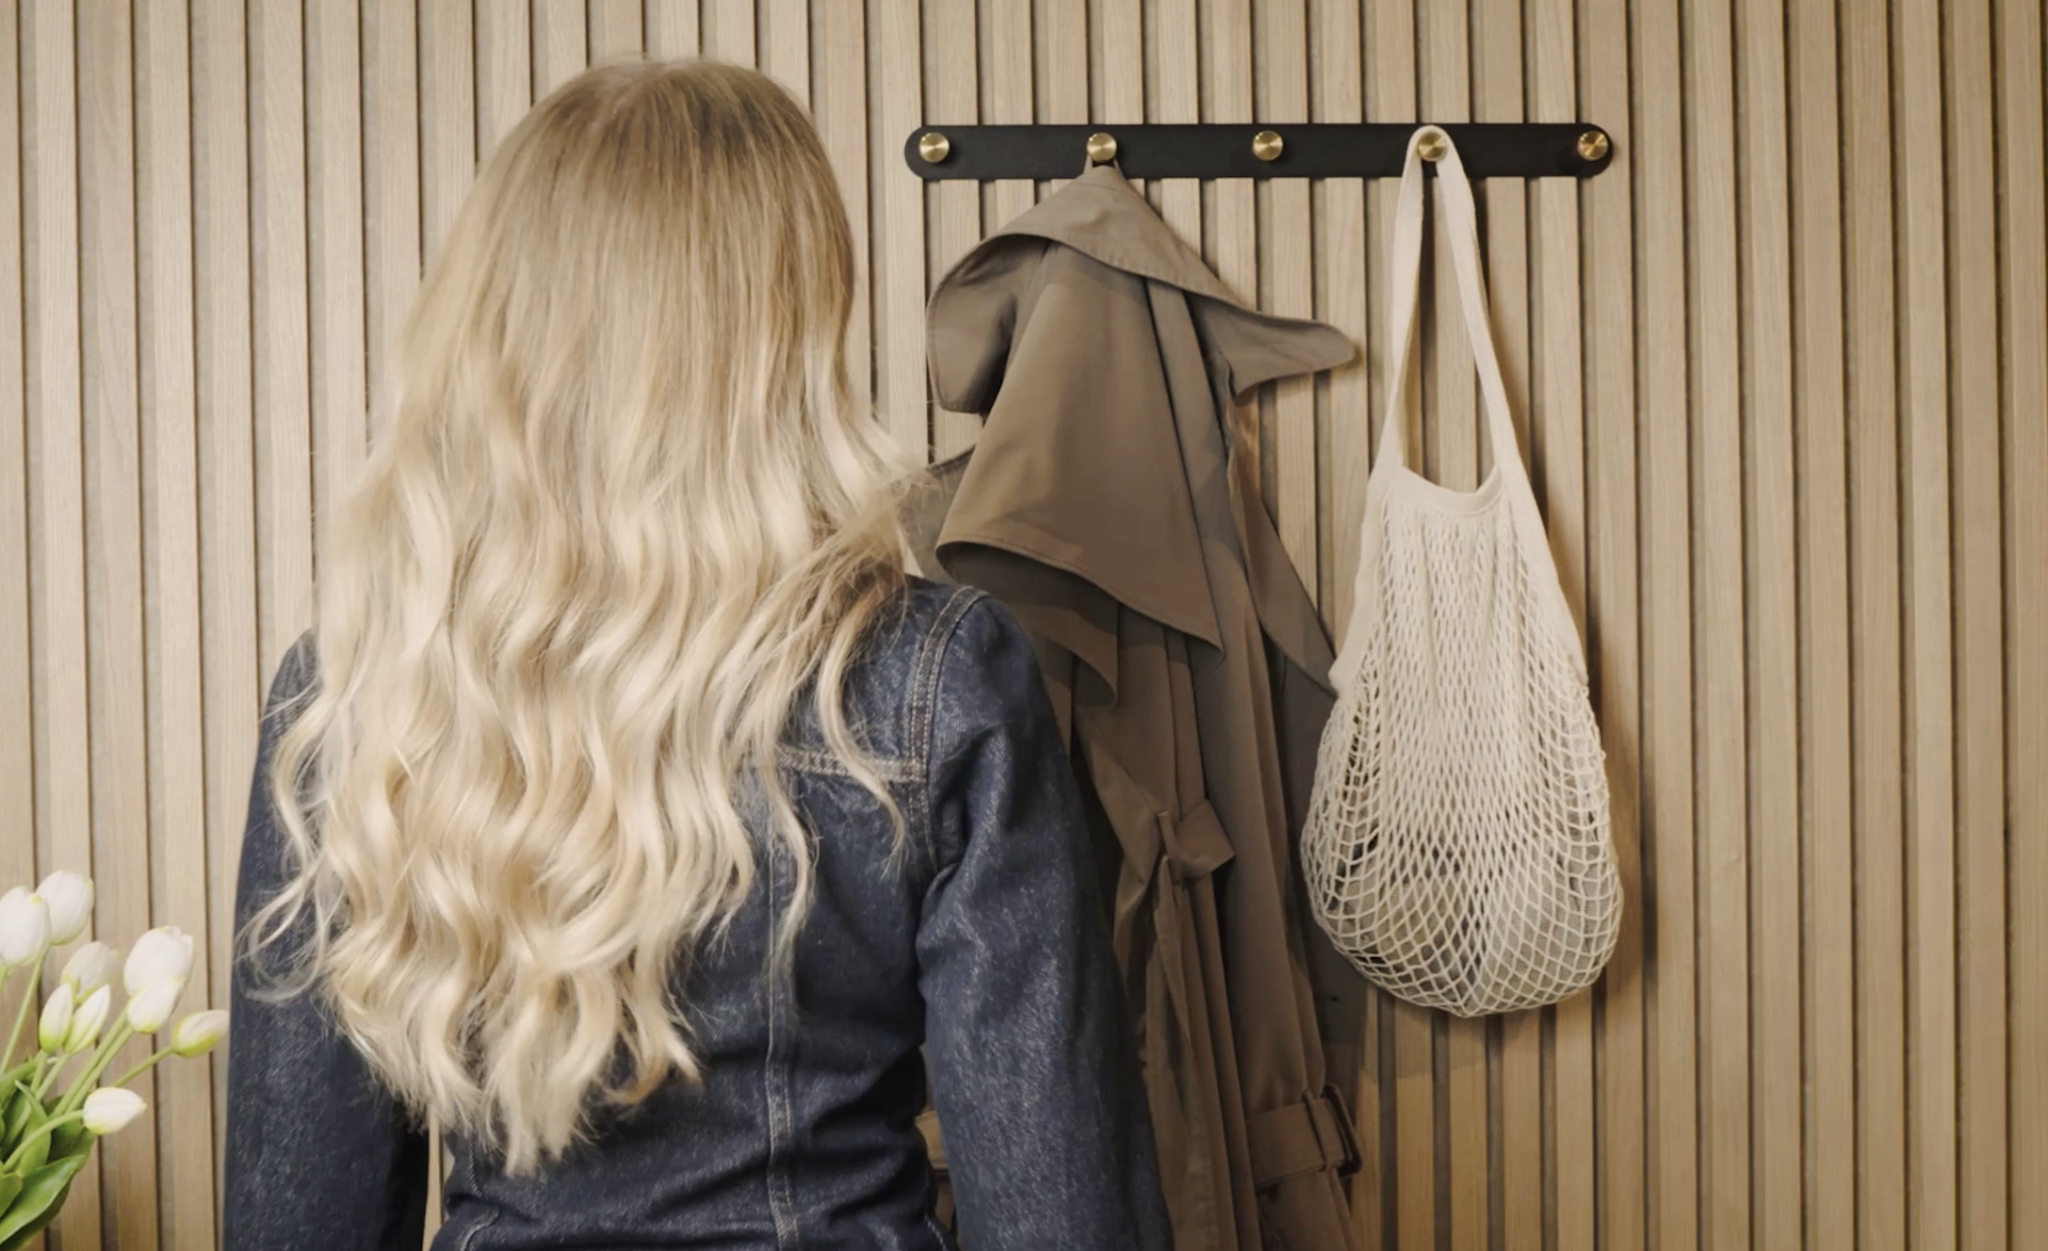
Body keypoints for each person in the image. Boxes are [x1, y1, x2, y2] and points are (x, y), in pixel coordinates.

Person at [222, 59, 1168, 1251]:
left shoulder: (363, 694)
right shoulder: (932, 680)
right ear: (790, 324)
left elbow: (297, 1215)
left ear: (496, 322)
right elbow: (1060, 1214)